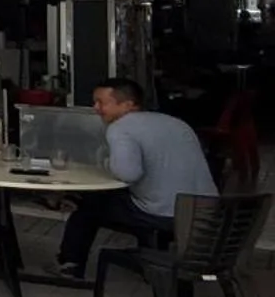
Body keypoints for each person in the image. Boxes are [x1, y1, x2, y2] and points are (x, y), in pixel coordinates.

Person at [56, 77, 216, 278]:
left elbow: (128, 173)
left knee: (88, 205)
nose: (95, 108)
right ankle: (150, 263)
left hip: (164, 216)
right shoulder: (175, 123)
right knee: (120, 199)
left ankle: (71, 265)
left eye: (102, 102)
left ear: (127, 105)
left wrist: (104, 160)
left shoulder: (121, 128)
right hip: (206, 215)